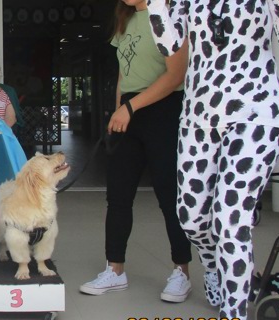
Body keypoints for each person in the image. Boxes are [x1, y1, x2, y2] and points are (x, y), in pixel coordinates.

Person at [146, 0, 279, 318]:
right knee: (191, 217)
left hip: (255, 111)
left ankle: (234, 310)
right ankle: (214, 264)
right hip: (199, 115)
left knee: (229, 219)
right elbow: (169, 45)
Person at [78, 0, 192, 303]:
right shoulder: (125, 20)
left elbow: (176, 75)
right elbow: (123, 74)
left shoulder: (170, 17)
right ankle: (115, 270)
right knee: (117, 196)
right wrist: (118, 111)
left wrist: (130, 107)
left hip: (164, 110)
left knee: (170, 196)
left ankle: (182, 270)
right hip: (128, 111)